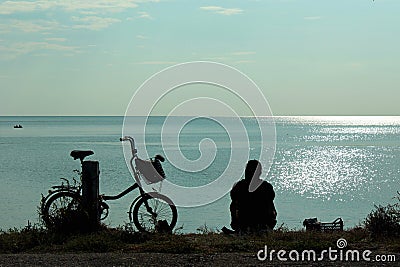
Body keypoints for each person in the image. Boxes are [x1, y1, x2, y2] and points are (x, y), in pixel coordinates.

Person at [229, 160, 277, 233]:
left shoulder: (238, 187)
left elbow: (233, 207)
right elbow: (271, 204)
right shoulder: (267, 187)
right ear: (259, 172)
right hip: (264, 224)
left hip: (243, 225)